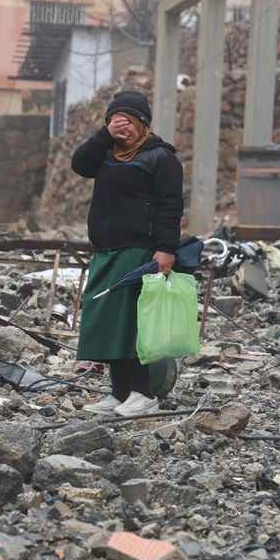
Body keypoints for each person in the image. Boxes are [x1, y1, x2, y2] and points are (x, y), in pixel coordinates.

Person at [71, 91, 184, 418]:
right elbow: (80, 164)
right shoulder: (105, 153)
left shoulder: (161, 158)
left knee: (133, 325)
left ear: (142, 124)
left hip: (140, 251)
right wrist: (106, 134)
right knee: (107, 323)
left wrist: (166, 249)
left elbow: (171, 206)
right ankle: (119, 393)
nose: (124, 129)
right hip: (106, 250)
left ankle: (144, 393)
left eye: (129, 122)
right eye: (116, 121)